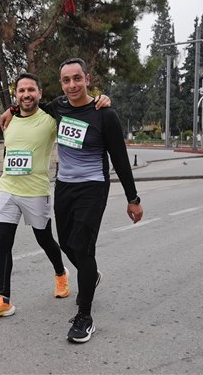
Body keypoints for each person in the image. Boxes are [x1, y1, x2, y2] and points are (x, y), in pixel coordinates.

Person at [0, 73, 111, 321]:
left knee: (45, 239)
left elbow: (78, 107)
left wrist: (101, 100)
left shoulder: (51, 120)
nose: (26, 94)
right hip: (7, 189)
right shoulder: (9, 120)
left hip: (36, 192)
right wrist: (11, 110)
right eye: (21, 90)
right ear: (16, 95)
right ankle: (3, 300)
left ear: (40, 93)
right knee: (3, 242)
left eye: (31, 89)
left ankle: (61, 273)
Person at [48, 58, 143, 343]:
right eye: (66, 80)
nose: (72, 85)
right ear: (61, 84)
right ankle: (91, 276)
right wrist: (10, 110)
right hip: (64, 185)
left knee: (82, 246)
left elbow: (120, 158)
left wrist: (133, 198)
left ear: (87, 79)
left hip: (93, 187)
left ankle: (84, 316)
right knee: (66, 243)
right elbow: (30, 106)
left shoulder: (105, 113)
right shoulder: (58, 107)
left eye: (77, 78)